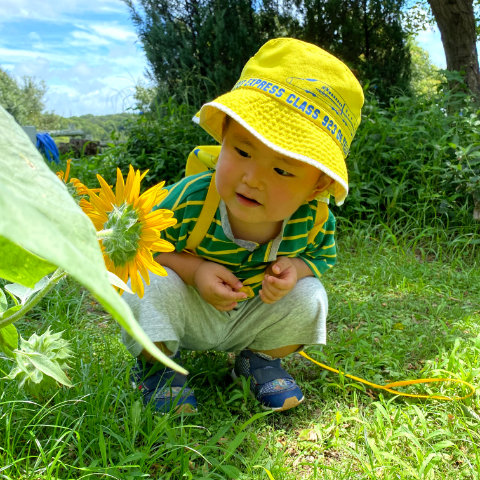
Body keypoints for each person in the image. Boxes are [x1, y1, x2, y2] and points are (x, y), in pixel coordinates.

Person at [122, 37, 364, 413]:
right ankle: (158, 367)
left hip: (252, 313)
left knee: (311, 295)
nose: (253, 178)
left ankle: (258, 361)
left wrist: (296, 269)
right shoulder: (192, 198)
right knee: (146, 285)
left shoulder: (313, 219)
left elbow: (320, 257)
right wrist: (196, 269)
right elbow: (144, 246)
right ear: (224, 135)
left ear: (316, 185)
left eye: (283, 169)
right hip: (190, 308)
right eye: (242, 151)